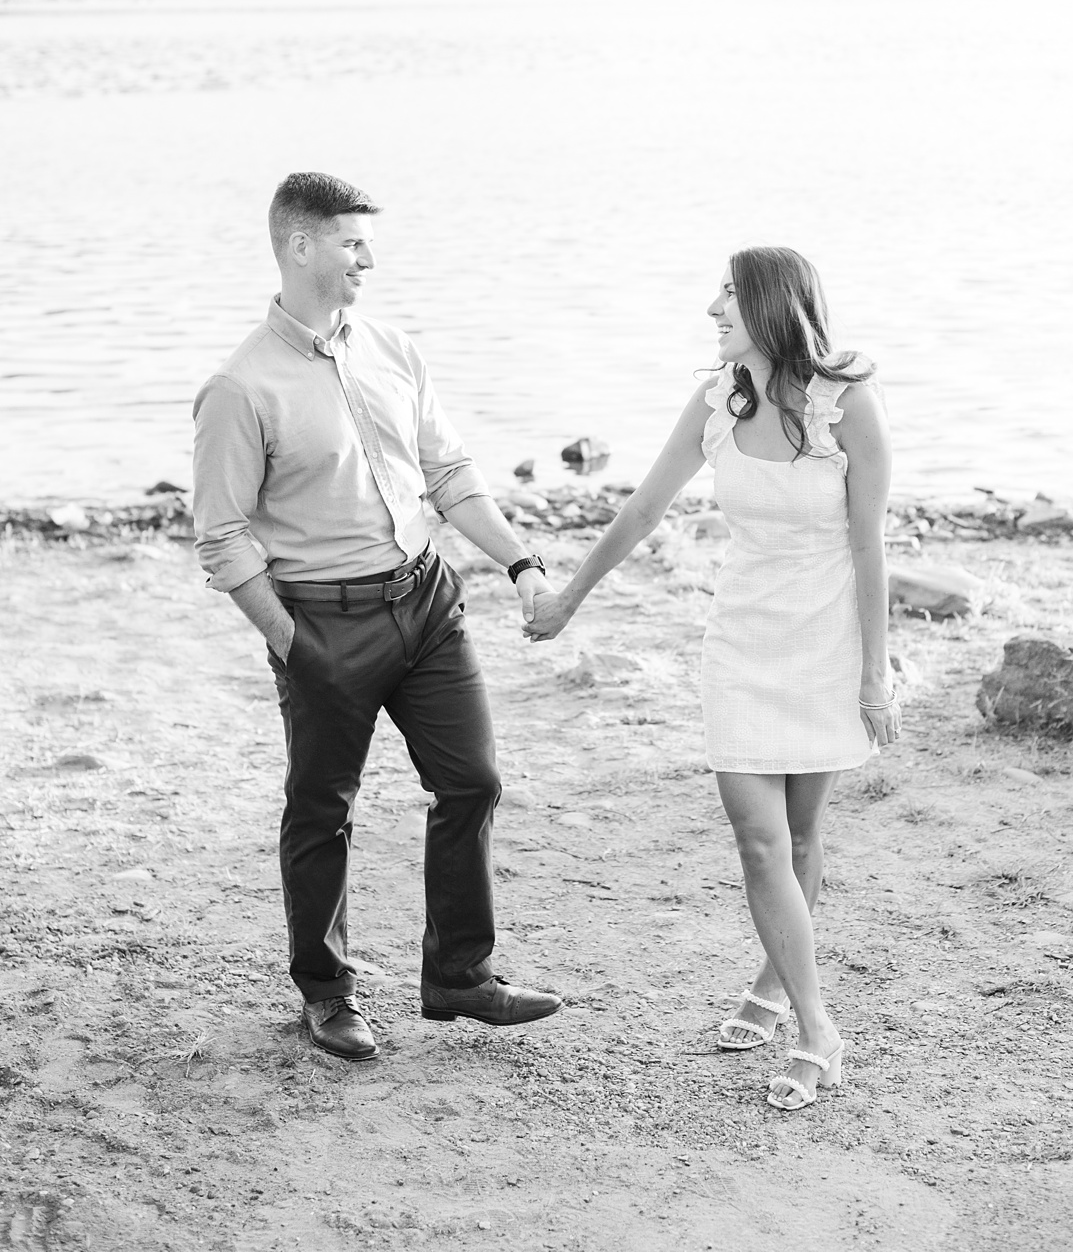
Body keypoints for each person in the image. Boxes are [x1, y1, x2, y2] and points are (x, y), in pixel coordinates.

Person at [191, 172, 564, 1062]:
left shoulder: (394, 347)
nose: (369, 258)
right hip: (323, 620)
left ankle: (458, 977)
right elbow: (222, 536)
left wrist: (520, 563)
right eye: (354, 242)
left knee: (471, 781)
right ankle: (327, 994)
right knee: (322, 810)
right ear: (301, 246)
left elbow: (448, 473)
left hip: (428, 601)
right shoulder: (240, 388)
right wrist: (294, 644)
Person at [524, 245, 899, 1110]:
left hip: (826, 643)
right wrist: (570, 598)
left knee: (803, 838)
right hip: (741, 644)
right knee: (760, 840)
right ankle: (817, 1029)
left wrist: (875, 672)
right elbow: (645, 506)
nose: (710, 309)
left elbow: (869, 542)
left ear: (770, 305)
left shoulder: (851, 404)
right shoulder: (715, 403)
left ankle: (773, 988)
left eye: (726, 295)